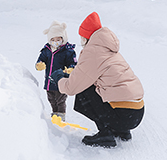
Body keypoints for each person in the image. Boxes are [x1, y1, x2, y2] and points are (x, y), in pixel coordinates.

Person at [50, 11, 144, 147]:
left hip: (124, 116)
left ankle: (106, 134)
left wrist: (59, 78)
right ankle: (121, 131)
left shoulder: (93, 52)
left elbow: (72, 87)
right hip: (136, 113)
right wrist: (70, 76)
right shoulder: (108, 49)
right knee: (93, 86)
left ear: (87, 37)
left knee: (84, 91)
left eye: (82, 37)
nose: (81, 41)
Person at [35, 21, 77, 120]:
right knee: (51, 99)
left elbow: (73, 63)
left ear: (63, 38)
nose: (55, 41)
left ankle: (61, 116)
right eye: (53, 39)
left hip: (61, 81)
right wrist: (39, 65)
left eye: (58, 39)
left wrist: (71, 69)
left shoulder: (68, 51)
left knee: (60, 100)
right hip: (49, 82)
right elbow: (40, 59)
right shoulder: (46, 50)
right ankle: (54, 115)